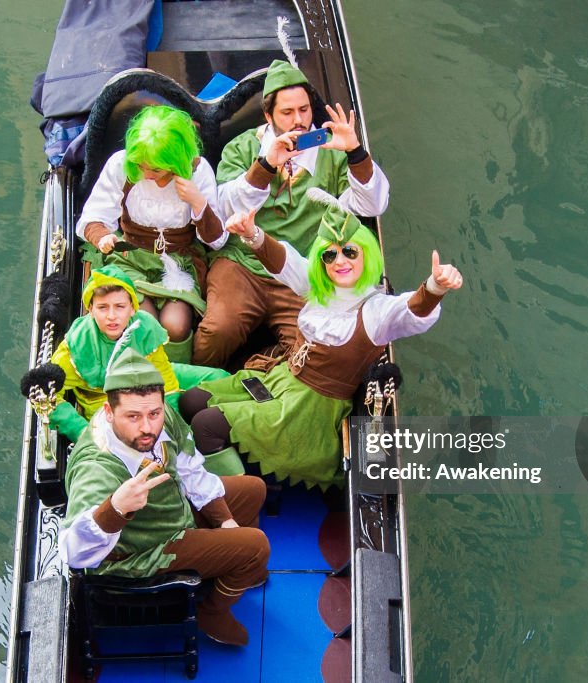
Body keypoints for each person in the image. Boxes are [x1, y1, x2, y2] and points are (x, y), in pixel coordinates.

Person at [180, 201, 463, 490]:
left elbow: (411, 310)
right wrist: (252, 232)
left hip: (310, 413)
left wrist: (435, 288)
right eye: (330, 255)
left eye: (350, 252)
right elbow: (284, 263)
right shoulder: (320, 288)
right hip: (280, 381)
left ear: (367, 255)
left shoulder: (377, 312)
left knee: (206, 425)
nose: (340, 261)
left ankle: (227, 497)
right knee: (190, 400)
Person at [59, 347, 270, 646]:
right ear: (108, 412)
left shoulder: (160, 415)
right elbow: (73, 553)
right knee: (256, 546)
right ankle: (213, 610)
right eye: (133, 416)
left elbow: (190, 468)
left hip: (170, 507)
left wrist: (225, 523)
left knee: (253, 490)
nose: (147, 427)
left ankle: (232, 573)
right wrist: (115, 509)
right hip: (141, 550)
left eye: (154, 413)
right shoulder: (98, 468)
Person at [192, 58, 390, 367]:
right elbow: (226, 210)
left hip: (302, 271)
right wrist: (266, 165)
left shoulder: (332, 152)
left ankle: (256, 373)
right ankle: (189, 385)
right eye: (287, 112)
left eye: (304, 110)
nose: (298, 121)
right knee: (218, 330)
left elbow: (372, 206)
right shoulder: (242, 148)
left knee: (314, 348)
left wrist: (355, 152)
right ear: (268, 115)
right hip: (244, 264)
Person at [77, 105, 227, 363]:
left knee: (175, 325)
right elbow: (92, 217)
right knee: (141, 321)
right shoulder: (120, 164)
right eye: (141, 165)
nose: (146, 174)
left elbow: (215, 240)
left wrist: (197, 202)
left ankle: (173, 382)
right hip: (130, 257)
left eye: (155, 169)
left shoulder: (198, 171)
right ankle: (136, 381)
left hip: (177, 262)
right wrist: (103, 237)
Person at [48, 265, 227, 443]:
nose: (112, 316)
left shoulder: (145, 326)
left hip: (149, 380)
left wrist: (172, 423)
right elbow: (48, 395)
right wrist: (81, 431)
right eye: (103, 307)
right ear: (91, 310)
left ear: (133, 308)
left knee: (220, 379)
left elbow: (165, 377)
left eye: (119, 306)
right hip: (107, 399)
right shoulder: (77, 344)